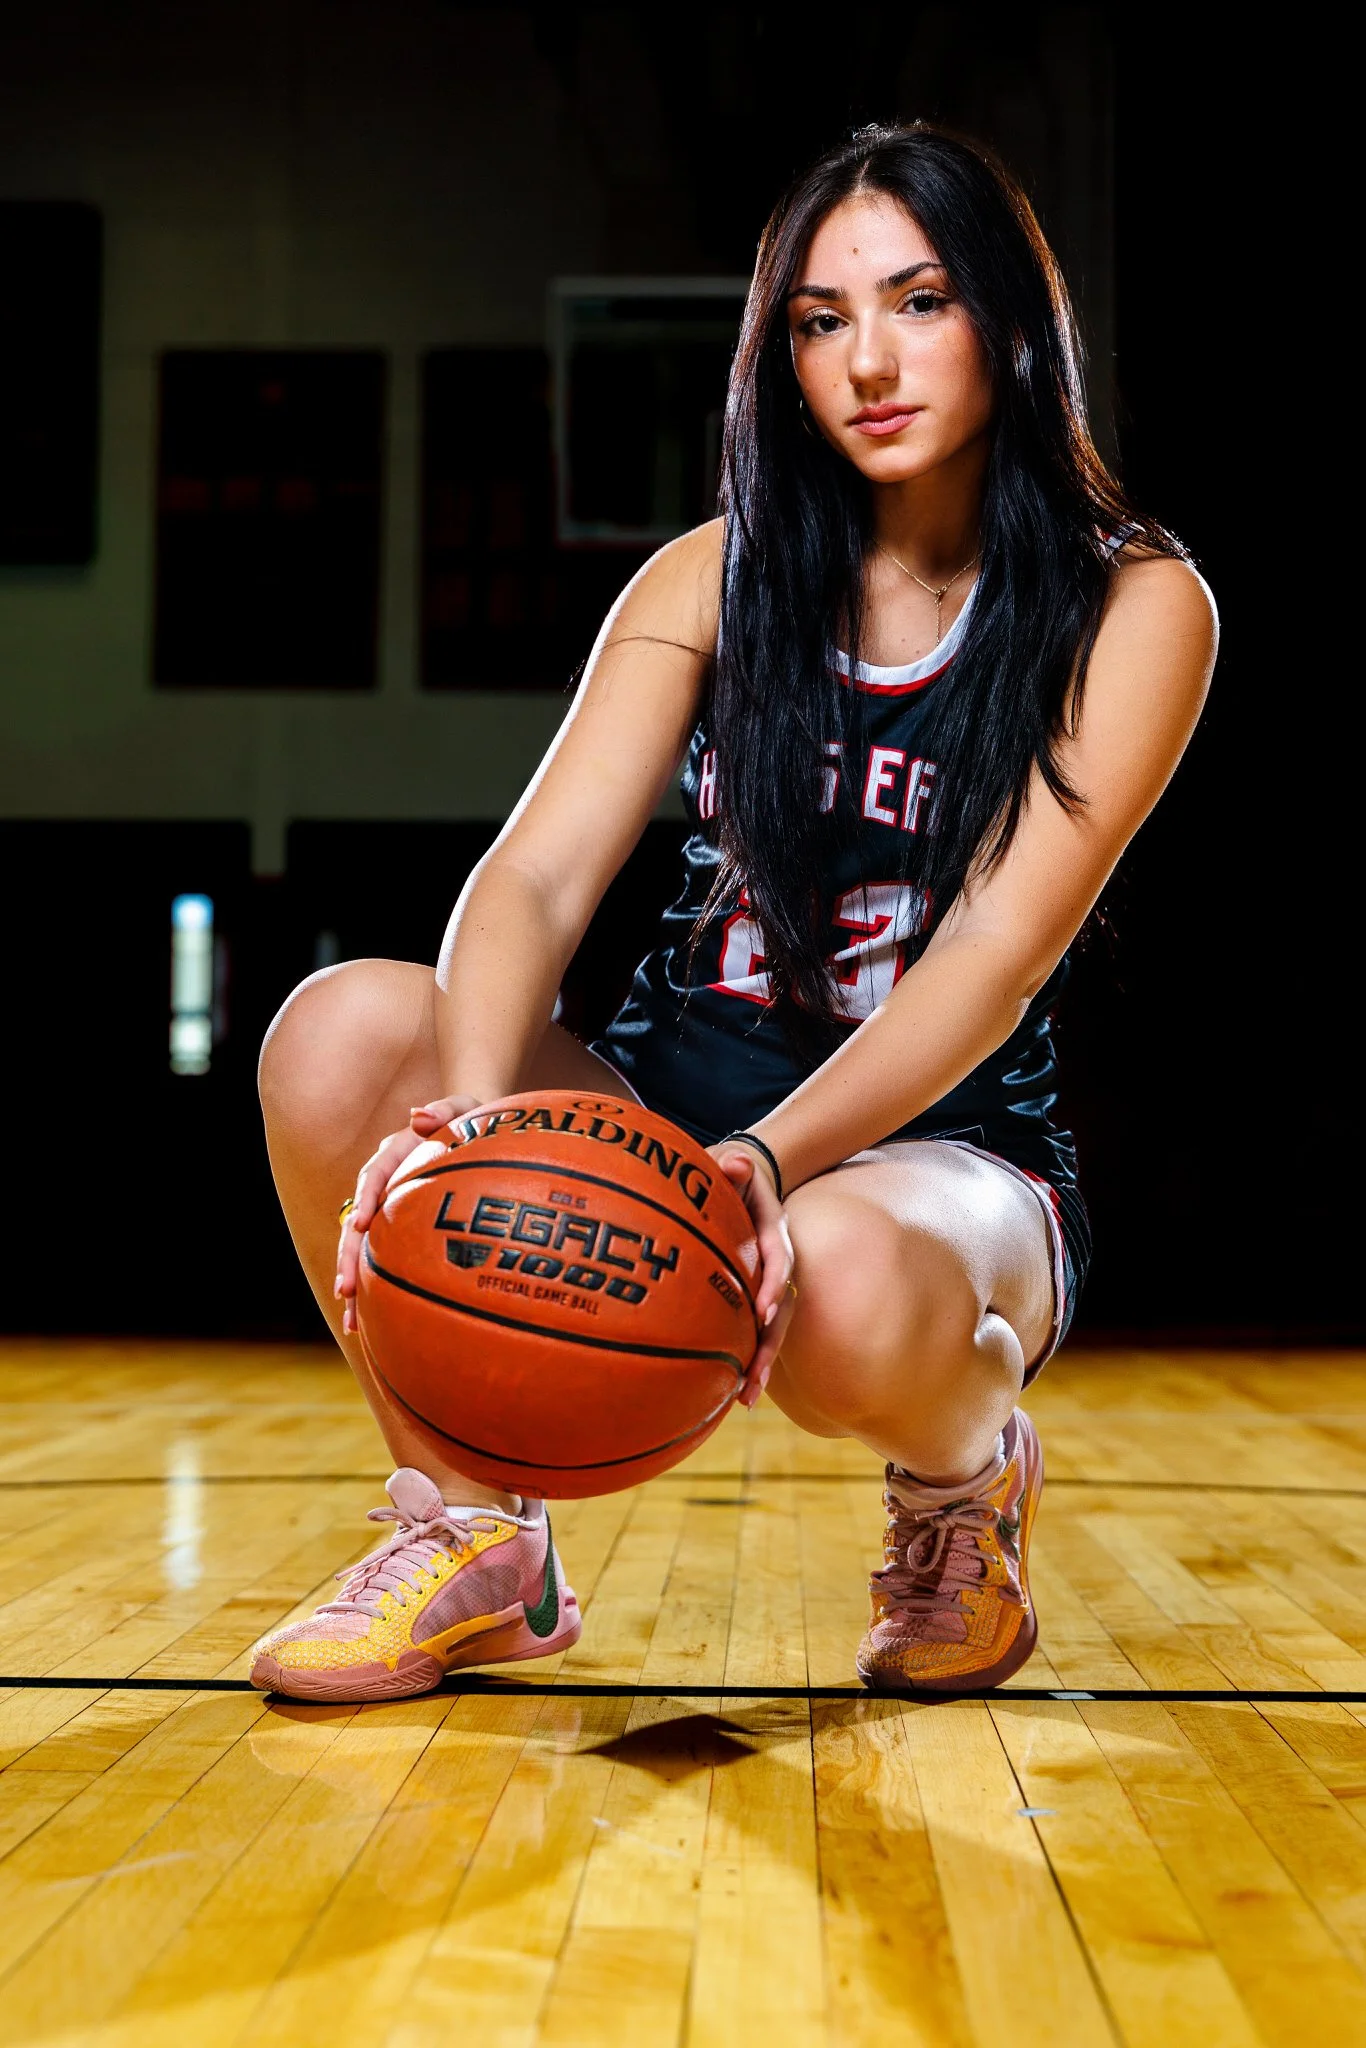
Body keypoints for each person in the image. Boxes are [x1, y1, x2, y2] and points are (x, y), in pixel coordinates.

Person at [250, 123, 1215, 1702]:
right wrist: (467, 1131)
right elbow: (537, 876)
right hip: (665, 1117)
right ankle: (473, 1528)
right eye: (821, 322)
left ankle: (964, 1485)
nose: (867, 360)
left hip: (942, 1166)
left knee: (831, 1276)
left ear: (1010, 320)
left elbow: (989, 950)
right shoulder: (712, 575)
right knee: (342, 1038)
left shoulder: (1133, 602)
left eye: (917, 301)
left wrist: (765, 1166)